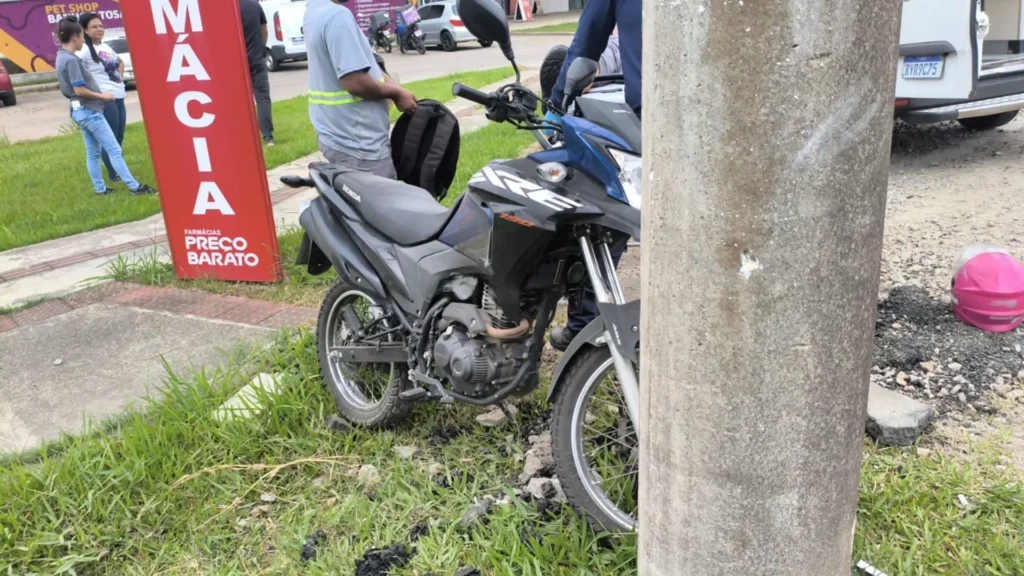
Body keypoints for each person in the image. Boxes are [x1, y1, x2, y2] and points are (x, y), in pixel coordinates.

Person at [546, 1, 641, 352]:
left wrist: (555, 108)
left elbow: (586, 43)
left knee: (607, 213)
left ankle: (585, 323)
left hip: (652, 117)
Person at [304, 0, 417, 178]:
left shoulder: (315, 10)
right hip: (359, 144)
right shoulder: (337, 16)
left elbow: (364, 62)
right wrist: (395, 92)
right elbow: (355, 81)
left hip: (336, 136)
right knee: (384, 202)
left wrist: (396, 90)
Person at [55, 16, 155, 196]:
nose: (82, 41)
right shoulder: (72, 60)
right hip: (89, 110)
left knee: (93, 152)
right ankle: (134, 187)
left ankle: (100, 189)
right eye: (81, 36)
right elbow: (79, 89)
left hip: (78, 110)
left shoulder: (61, 57)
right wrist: (102, 96)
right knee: (114, 149)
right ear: (77, 35)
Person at [77, 13, 127, 183]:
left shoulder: (105, 46)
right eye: (94, 26)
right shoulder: (83, 50)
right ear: (84, 30)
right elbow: (74, 71)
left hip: (118, 97)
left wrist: (118, 78)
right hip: (104, 101)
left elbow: (120, 62)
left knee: (119, 137)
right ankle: (115, 174)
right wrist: (96, 92)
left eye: (101, 26)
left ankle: (119, 169)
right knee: (110, 139)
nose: (99, 29)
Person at [239, 0, 274, 146]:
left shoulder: (226, 7)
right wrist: (261, 48)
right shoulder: (254, 5)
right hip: (256, 59)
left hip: (236, 62)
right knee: (262, 99)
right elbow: (264, 30)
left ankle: (243, 135)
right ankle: (268, 137)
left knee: (239, 100)